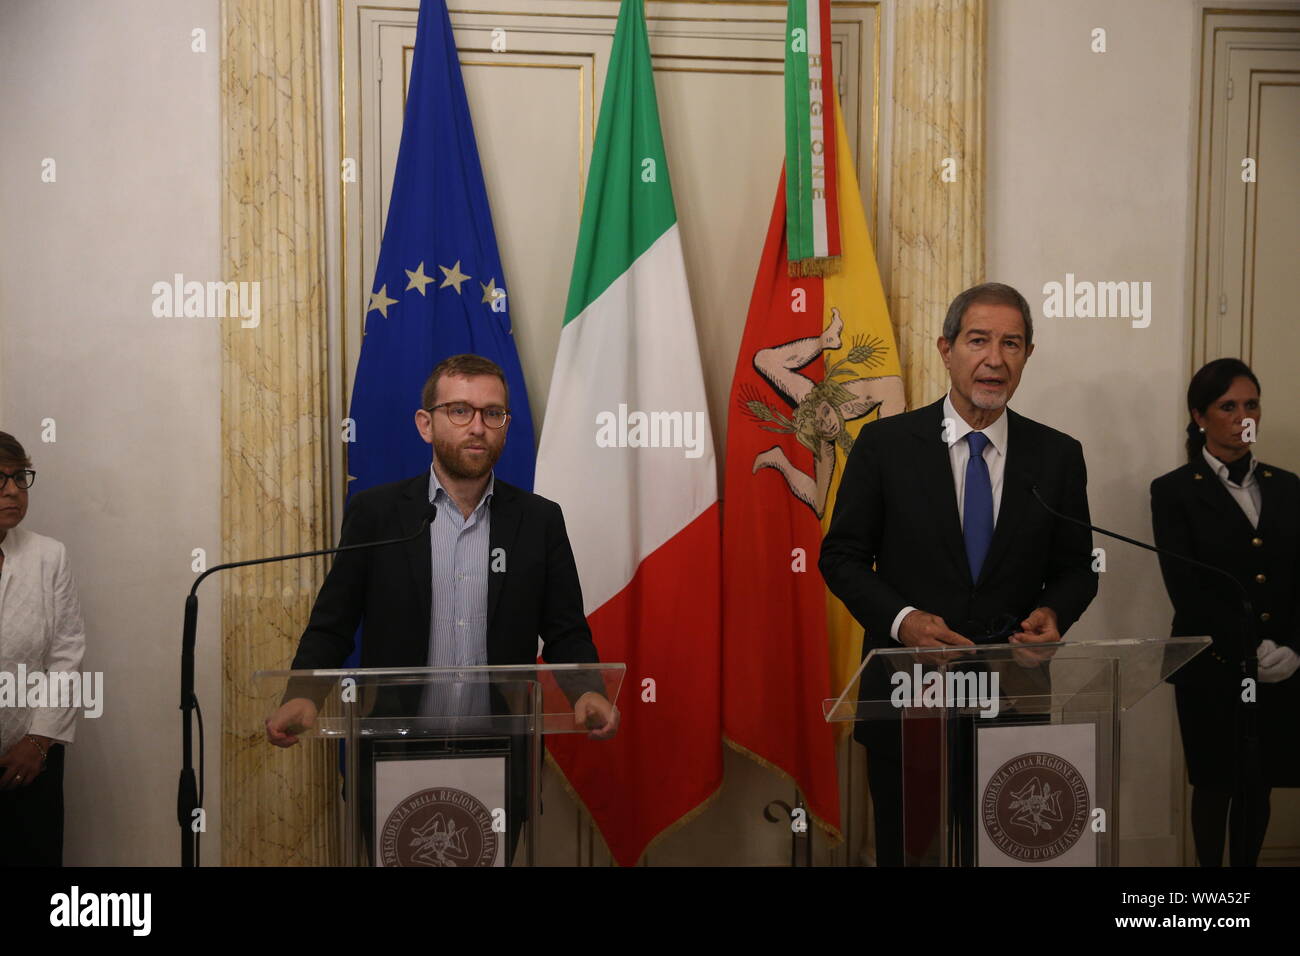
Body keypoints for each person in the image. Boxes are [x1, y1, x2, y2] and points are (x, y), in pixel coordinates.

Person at [265, 354, 619, 862]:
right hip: (394, 752)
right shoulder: (378, 514)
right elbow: (333, 624)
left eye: (492, 414)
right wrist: (303, 696)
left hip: (499, 756)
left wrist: (586, 693)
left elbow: (565, 630)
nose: (477, 427)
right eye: (460, 411)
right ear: (425, 424)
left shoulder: (539, 521)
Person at [820, 282, 1098, 866]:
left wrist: (1053, 614)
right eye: (979, 340)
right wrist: (903, 622)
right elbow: (841, 556)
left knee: (1003, 857)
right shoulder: (885, 445)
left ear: (1027, 354)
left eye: (1012, 343)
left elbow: (1076, 568)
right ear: (946, 350)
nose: (995, 358)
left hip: (1012, 700)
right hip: (907, 698)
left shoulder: (1057, 455)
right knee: (910, 855)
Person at [1151, 358, 1300, 866]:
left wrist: (1292, 648)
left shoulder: (1288, 486)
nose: (1243, 416)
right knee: (1216, 785)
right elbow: (1188, 589)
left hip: (1281, 665)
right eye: (1228, 406)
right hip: (1211, 666)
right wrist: (1247, 651)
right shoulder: (1173, 490)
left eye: (1251, 404)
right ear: (1199, 416)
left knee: (1260, 786)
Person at [0, 432, 87, 866]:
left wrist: (37, 742)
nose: (13, 490)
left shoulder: (47, 556)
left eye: (19, 478)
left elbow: (66, 653)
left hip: (30, 760)